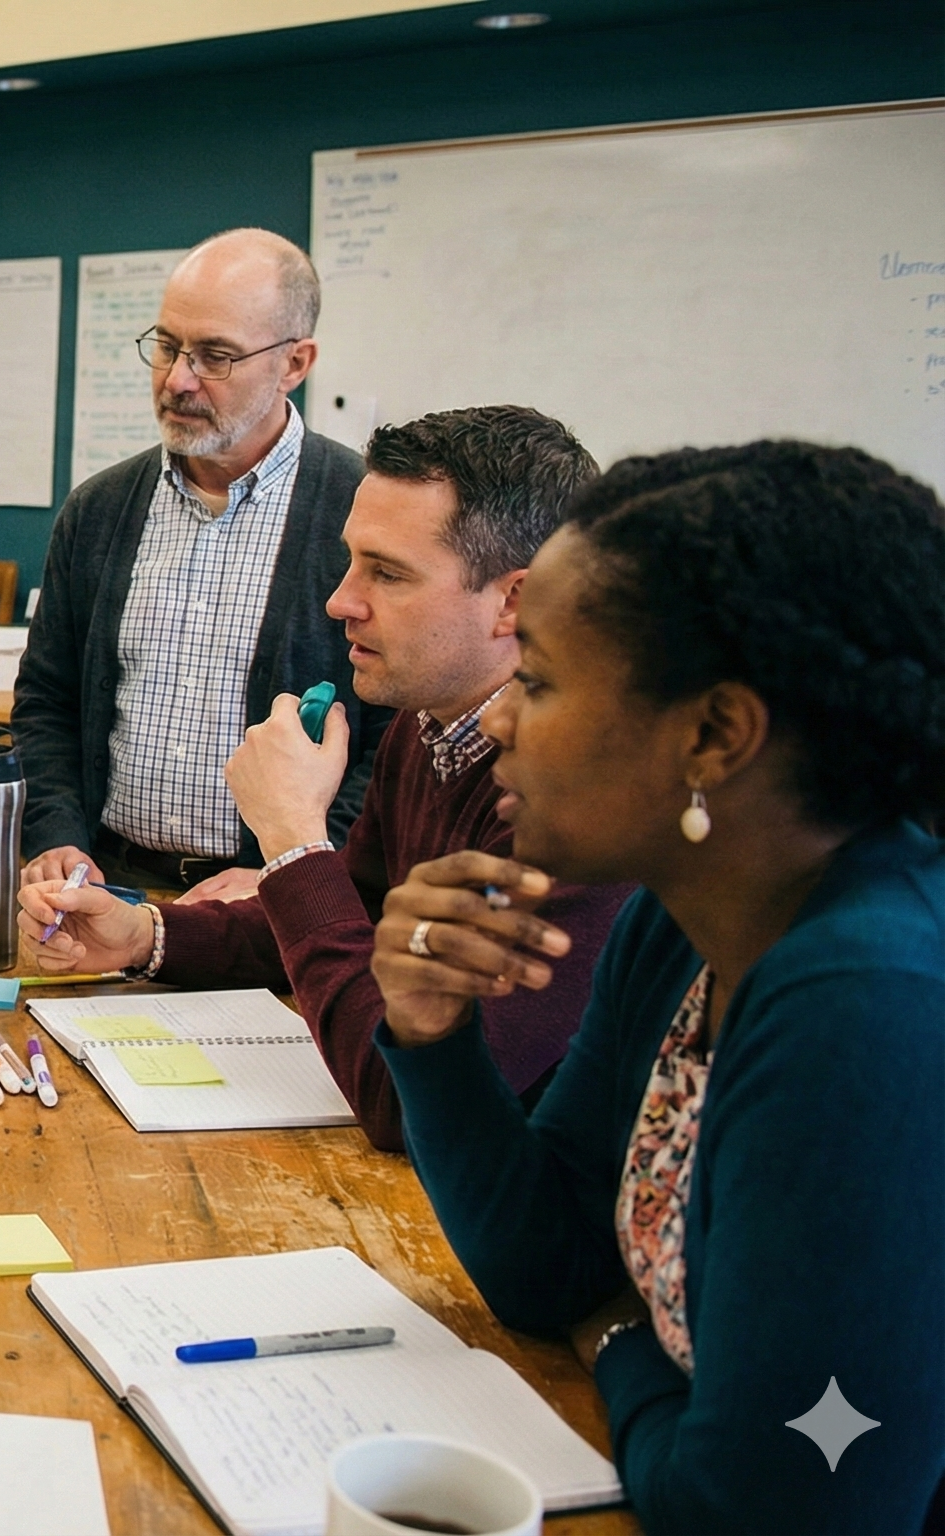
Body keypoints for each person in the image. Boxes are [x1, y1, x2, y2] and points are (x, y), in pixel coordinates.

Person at [369, 442, 945, 1529]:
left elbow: (760, 1512)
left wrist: (621, 1340)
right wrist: (431, 1032)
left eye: (534, 681)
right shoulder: (681, 920)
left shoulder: (867, 1004)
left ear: (713, 735)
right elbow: (546, 1269)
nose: (495, 719)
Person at [21, 406, 631, 1150]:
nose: (341, 600)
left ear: (515, 599)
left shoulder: (588, 810)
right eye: (352, 561)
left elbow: (410, 1108)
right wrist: (149, 935)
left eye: (388, 573)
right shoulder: (427, 723)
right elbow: (359, 916)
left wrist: (292, 839)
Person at [13, 228, 389, 898]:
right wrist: (56, 834)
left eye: (214, 356)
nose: (178, 379)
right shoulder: (98, 510)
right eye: (166, 345)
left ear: (295, 363)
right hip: (108, 888)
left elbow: (395, 737)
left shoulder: (364, 512)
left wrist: (298, 867)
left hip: (280, 904)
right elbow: (48, 700)